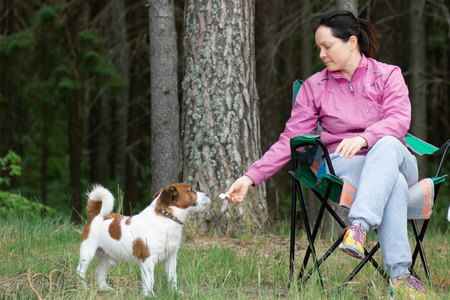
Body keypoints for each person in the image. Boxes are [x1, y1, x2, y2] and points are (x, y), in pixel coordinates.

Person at [225, 10, 427, 298]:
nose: (321, 54)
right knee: (390, 182)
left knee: (388, 145)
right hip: (346, 167)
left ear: (352, 42)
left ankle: (358, 226)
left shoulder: (388, 74)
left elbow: (398, 121)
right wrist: (251, 176)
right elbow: (291, 140)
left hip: (395, 156)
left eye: (327, 46)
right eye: (318, 47)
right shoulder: (315, 87)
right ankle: (400, 276)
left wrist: (364, 138)